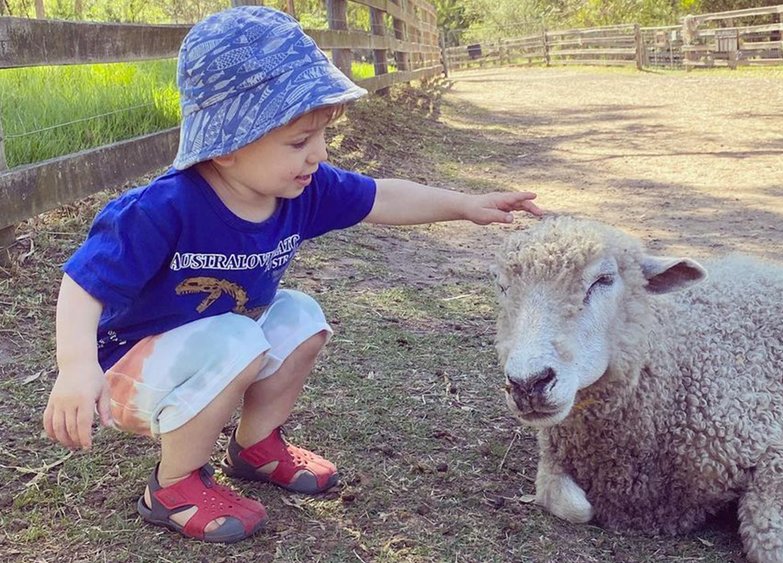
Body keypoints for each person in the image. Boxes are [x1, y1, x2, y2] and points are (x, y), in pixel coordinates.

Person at [42, 5, 542, 544]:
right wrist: (75, 369)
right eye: (299, 142)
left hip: (217, 352)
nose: (317, 155)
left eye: (321, 136)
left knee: (300, 315)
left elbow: (383, 196)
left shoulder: (303, 189)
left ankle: (255, 448)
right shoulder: (162, 208)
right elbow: (83, 284)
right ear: (229, 146)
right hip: (122, 375)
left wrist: (464, 204)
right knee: (237, 336)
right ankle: (172, 486)